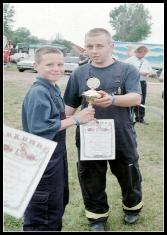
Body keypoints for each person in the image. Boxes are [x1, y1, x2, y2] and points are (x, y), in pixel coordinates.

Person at [63, 28, 143, 231]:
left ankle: (132, 207)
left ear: (111, 46)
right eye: (89, 46)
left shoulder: (127, 70)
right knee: (91, 177)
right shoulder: (79, 73)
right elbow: (69, 107)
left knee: (128, 173)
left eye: (99, 45)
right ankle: (97, 217)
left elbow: (136, 97)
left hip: (121, 134)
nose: (94, 50)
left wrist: (113, 99)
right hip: (90, 135)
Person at [22, 47, 95, 231]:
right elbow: (40, 129)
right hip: (42, 161)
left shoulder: (52, 87)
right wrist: (77, 119)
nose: (56, 68)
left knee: (56, 205)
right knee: (43, 212)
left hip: (55, 157)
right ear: (35, 66)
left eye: (60, 64)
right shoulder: (39, 92)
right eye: (49, 64)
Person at [125, 46, 153, 125]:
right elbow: (125, 71)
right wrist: (140, 72)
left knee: (141, 101)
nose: (143, 54)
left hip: (142, 82)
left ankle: (140, 118)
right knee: (130, 100)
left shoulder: (145, 61)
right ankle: (128, 118)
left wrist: (151, 73)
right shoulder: (129, 61)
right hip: (132, 83)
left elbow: (150, 71)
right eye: (141, 52)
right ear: (137, 52)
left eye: (145, 52)